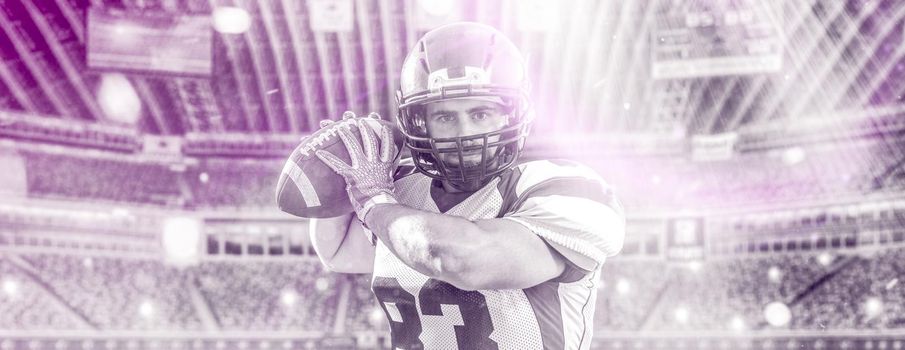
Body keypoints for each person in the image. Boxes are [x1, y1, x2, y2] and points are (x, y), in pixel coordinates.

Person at [305, 22, 625, 350]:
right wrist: (340, 169)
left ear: (511, 115)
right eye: (444, 118)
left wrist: (372, 200)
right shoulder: (400, 194)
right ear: (419, 123)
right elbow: (338, 252)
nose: (464, 132)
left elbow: (461, 262)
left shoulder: (567, 191)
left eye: (481, 113)